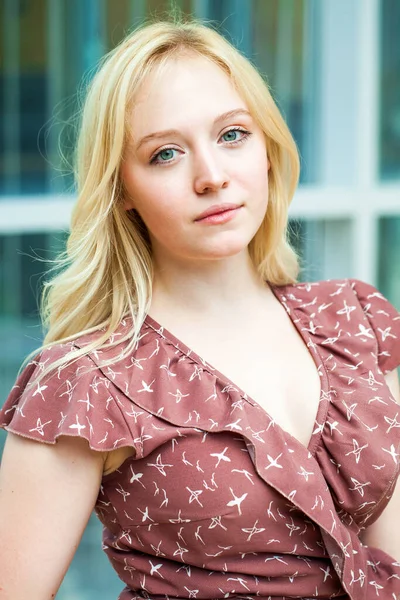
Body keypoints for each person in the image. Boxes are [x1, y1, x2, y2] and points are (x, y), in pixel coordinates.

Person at [0, 14, 399, 600]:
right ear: (123, 192)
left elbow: (387, 550)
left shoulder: (354, 319)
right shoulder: (86, 384)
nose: (211, 176)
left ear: (267, 147)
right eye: (165, 154)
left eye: (233, 134)